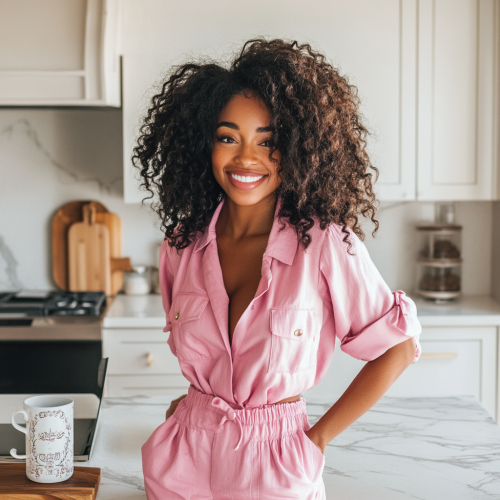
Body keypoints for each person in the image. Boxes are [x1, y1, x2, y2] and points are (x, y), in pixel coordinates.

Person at [134, 38, 422, 500]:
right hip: (181, 466)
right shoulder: (181, 246)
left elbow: (398, 348)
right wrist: (193, 409)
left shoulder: (326, 243)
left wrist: (317, 440)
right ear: (203, 146)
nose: (245, 158)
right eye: (228, 137)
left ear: (300, 149)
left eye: (268, 142)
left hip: (275, 466)